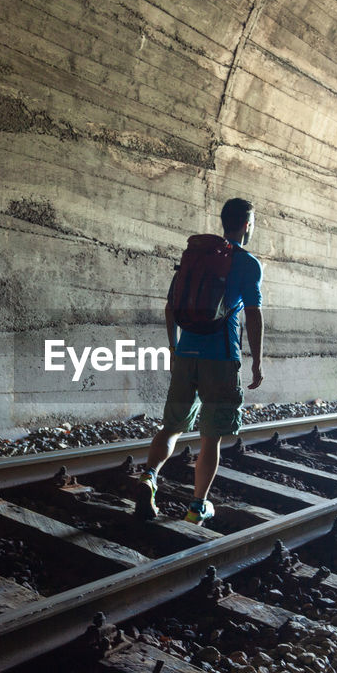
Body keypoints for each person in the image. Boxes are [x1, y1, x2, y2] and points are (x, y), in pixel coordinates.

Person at [136, 198, 264, 523]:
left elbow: (170, 306)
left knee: (171, 427)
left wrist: (173, 348)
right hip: (220, 359)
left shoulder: (194, 257)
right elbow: (253, 313)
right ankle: (197, 507)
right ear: (246, 226)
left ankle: (149, 476)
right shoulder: (247, 263)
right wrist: (257, 362)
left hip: (186, 354)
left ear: (224, 221)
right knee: (211, 438)